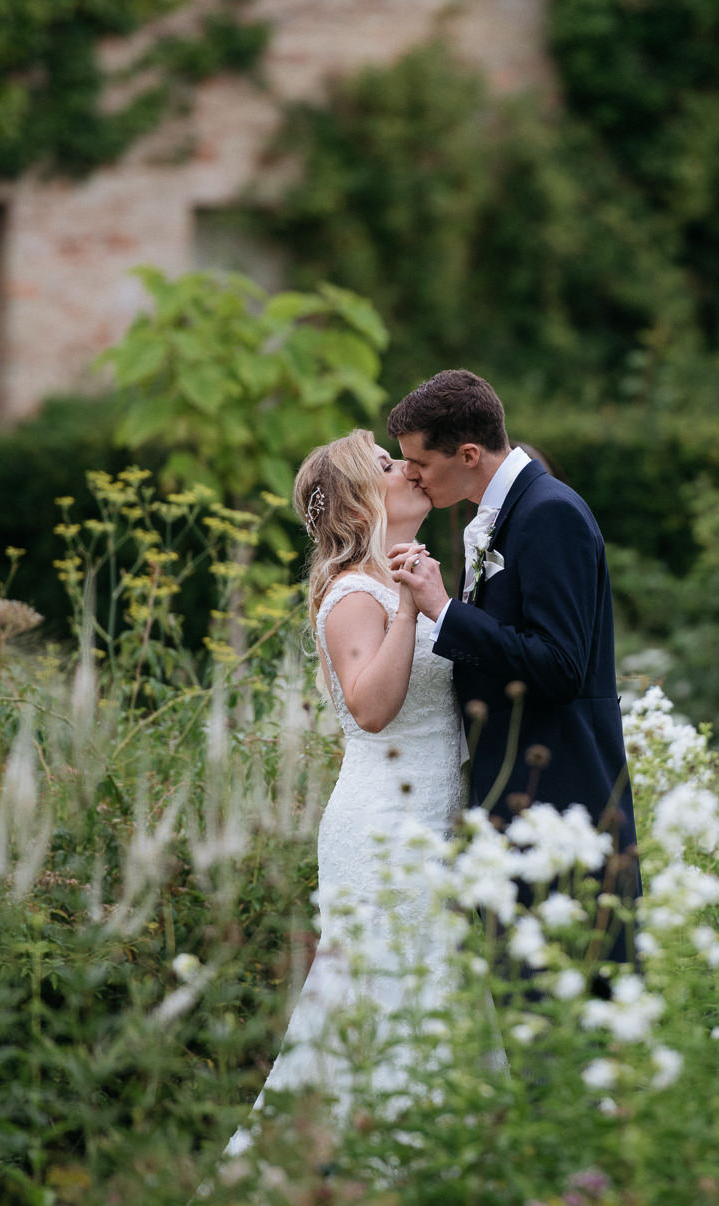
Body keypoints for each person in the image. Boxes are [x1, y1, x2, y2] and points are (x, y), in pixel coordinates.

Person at [227, 429, 463, 1153]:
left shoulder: (402, 574)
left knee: (434, 995)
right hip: (385, 824)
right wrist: (406, 607)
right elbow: (369, 705)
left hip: (431, 817)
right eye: (391, 466)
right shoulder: (355, 593)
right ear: (364, 501)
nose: (411, 471)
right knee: (379, 1002)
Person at [385, 370, 642, 971]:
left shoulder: (549, 513)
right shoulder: (504, 514)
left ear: (468, 454)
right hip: (519, 808)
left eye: (419, 462)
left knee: (568, 1007)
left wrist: (445, 612)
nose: (413, 475)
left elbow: (560, 666)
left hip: (561, 804)